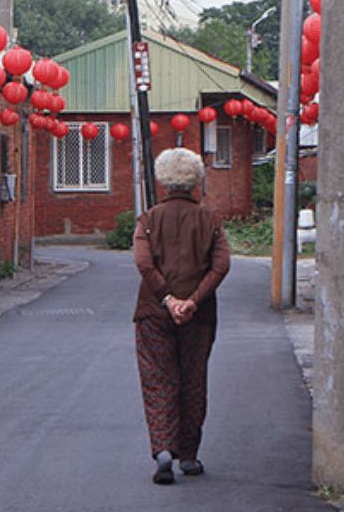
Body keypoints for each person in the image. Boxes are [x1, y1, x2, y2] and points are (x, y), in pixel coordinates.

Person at [132, 147, 230, 485]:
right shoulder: (209, 220)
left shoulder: (149, 219)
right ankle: (188, 456)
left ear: (162, 181)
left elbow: (144, 263)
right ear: (195, 182)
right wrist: (193, 300)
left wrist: (168, 299)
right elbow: (221, 266)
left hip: (152, 313)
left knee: (158, 379)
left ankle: (162, 448)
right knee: (193, 379)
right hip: (199, 317)